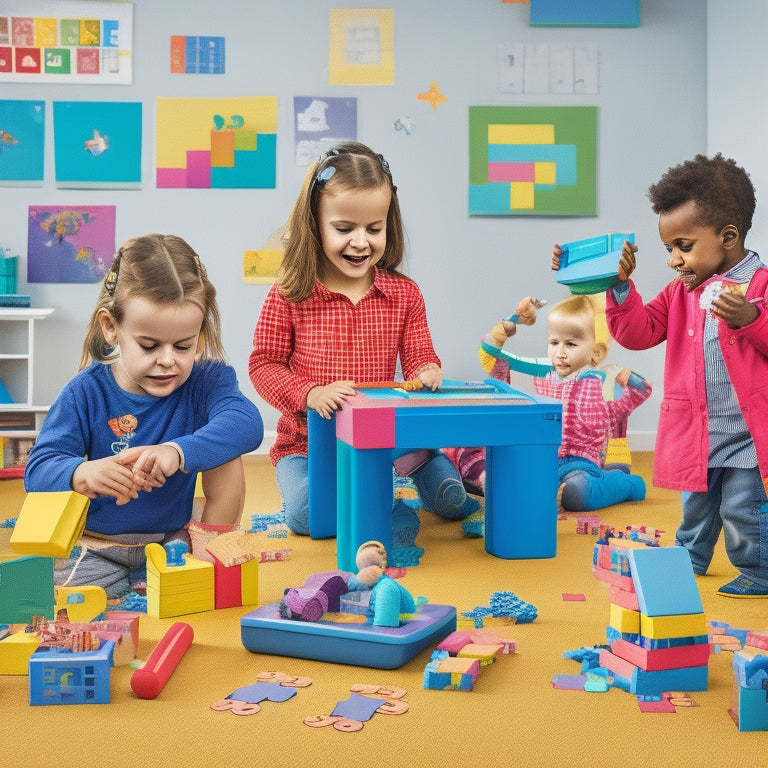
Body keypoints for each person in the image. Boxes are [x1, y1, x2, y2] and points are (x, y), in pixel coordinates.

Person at [249, 141, 478, 536]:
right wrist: (310, 393)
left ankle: (405, 477)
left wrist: (427, 369)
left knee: (451, 500)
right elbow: (263, 365)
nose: (361, 242)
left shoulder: (404, 293)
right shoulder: (289, 292)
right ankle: (377, 497)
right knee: (307, 517)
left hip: (389, 437)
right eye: (344, 228)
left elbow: (420, 352)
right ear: (315, 223)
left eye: (374, 228)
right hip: (307, 446)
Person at [24, 233, 264, 598]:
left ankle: (215, 554)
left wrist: (176, 451)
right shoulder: (85, 391)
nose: (168, 360)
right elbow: (38, 469)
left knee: (226, 449)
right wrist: (81, 472)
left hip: (175, 540)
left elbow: (247, 424)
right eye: (149, 346)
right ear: (111, 328)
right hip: (99, 544)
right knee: (74, 602)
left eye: (184, 346)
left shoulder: (207, 378)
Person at [603, 153, 768, 598]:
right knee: (694, 503)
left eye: (684, 246)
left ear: (728, 236)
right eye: (669, 249)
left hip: (748, 435)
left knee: (743, 508)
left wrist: (752, 316)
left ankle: (758, 569)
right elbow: (637, 332)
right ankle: (689, 558)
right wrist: (620, 286)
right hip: (697, 430)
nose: (675, 260)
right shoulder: (681, 293)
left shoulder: (761, 287)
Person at [479, 294, 652, 512]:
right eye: (554, 342)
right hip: (546, 461)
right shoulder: (544, 373)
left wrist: (630, 378)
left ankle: (627, 484)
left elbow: (641, 391)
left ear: (595, 351)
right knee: (507, 479)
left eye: (570, 344)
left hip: (582, 465)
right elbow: (492, 353)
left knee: (577, 493)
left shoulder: (600, 379)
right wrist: (510, 322)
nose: (559, 353)